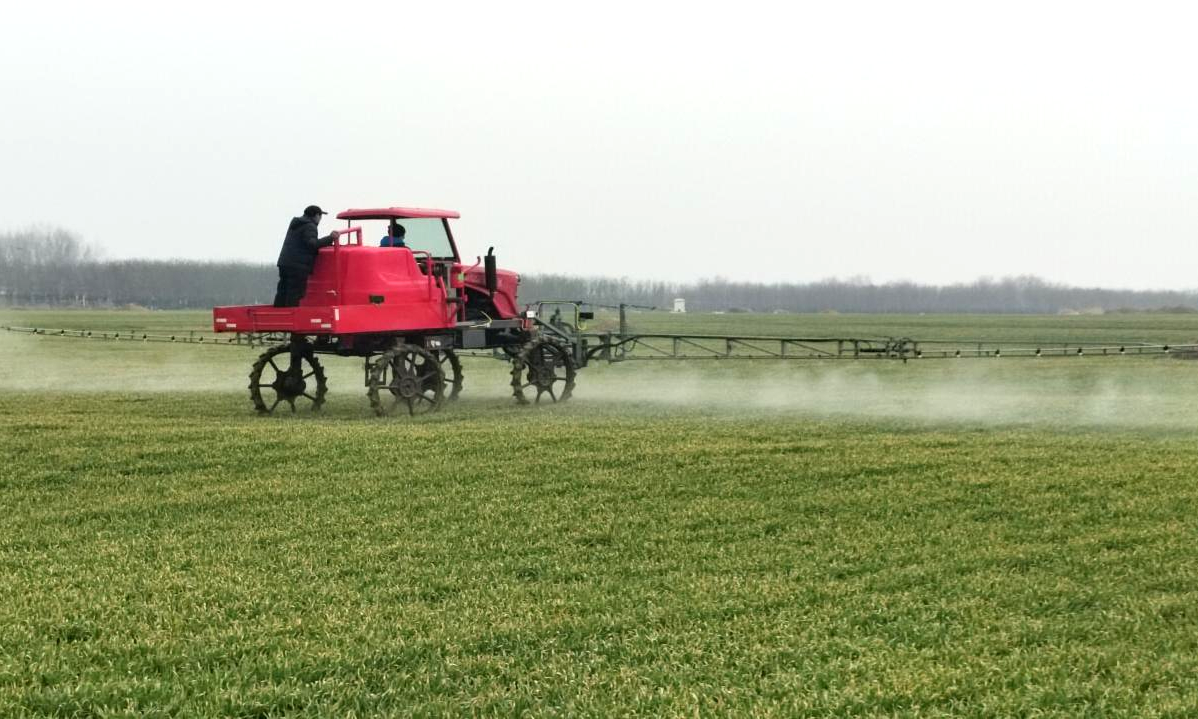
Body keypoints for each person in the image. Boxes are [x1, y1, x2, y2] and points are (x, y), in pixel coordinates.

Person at [273, 205, 340, 307]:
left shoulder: (296, 224)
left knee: (283, 290)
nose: (320, 219)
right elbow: (312, 244)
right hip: (298, 266)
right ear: (316, 216)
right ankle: (292, 315)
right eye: (320, 216)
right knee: (295, 293)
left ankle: (278, 314)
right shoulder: (310, 226)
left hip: (285, 262)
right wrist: (330, 238)